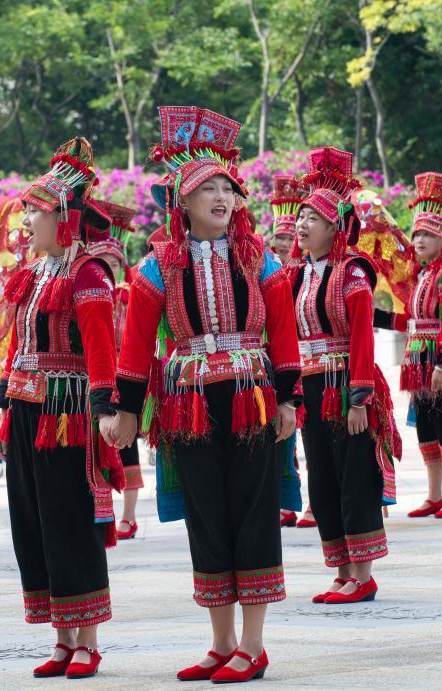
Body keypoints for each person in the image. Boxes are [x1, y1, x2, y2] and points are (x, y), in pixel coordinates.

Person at [105, 106, 301, 683]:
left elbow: (284, 334)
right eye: (206, 189)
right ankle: (220, 643)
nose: (220, 196)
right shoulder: (156, 267)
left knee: (253, 513)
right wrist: (123, 414)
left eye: (227, 188)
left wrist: (289, 399)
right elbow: (136, 347)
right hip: (187, 405)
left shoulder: (260, 257)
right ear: (182, 203)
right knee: (207, 518)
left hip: (252, 400)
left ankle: (254, 645)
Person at [0, 138, 123, 680]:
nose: (25, 221)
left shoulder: (89, 274)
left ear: (63, 218)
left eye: (34, 212)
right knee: (35, 523)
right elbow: (13, 347)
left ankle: (88, 639)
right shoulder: (32, 273)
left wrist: (105, 411)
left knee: (71, 521)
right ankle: (61, 637)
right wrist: (3, 413)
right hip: (25, 412)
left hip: (68, 413)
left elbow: (100, 350)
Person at [290, 148, 400, 604]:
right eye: (299, 217)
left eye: (311, 218)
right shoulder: (296, 275)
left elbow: (362, 338)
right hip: (312, 386)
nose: (300, 225)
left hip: (346, 386)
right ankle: (340, 569)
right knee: (323, 478)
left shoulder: (352, 272)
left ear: (335, 227)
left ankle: (363, 574)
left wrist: (359, 398)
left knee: (355, 476)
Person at [373, 173, 442, 519]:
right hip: (417, 359)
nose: (419, 239)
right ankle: (433, 495)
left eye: (428, 234)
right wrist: (376, 317)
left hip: (439, 360)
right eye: (417, 233)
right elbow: (412, 320)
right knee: (426, 429)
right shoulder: (421, 276)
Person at [91, 199, 145, 539]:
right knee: (97, 447)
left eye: (114, 261)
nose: (109, 267)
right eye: (103, 262)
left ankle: (128, 515)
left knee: (127, 447)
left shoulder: (129, 294)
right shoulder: (89, 293)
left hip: (124, 380)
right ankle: (103, 510)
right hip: (95, 381)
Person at [269, 175, 317, 529]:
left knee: (315, 436)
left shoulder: (304, 274)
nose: (285, 243)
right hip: (279, 364)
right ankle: (286, 501)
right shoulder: (269, 273)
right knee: (284, 437)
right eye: (279, 238)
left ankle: (315, 504)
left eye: (289, 237)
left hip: (314, 363)